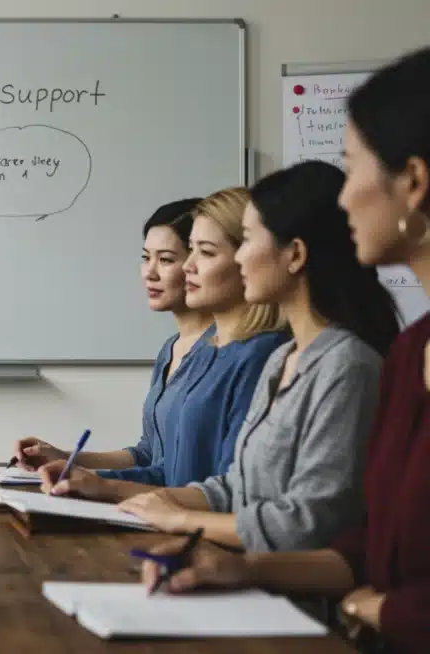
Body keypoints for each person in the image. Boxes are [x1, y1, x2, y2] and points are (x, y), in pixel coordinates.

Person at [138, 46, 430, 654]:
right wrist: (231, 561)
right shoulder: (403, 354)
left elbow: (319, 521)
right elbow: (369, 543)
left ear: (414, 182)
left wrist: (383, 607)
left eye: (353, 168)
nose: (344, 199)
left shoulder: (352, 364)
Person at [118, 160, 399, 552]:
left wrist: (180, 518)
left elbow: (309, 522)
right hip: (249, 570)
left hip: (283, 583)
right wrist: (155, 501)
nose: (238, 258)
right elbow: (238, 487)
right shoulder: (283, 358)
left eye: (247, 241)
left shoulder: (346, 365)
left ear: (295, 255)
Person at [40, 187, 291, 498]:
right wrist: (83, 475)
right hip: (171, 515)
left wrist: (107, 486)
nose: (187, 267)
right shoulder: (204, 352)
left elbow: (231, 492)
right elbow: (163, 467)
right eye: (146, 258)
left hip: (194, 521)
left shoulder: (261, 354)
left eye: (204, 252)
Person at [13, 198, 214, 472]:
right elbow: (147, 454)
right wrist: (63, 457)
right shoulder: (170, 349)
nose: (150, 273)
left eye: (166, 259)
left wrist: (101, 485)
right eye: (146, 258)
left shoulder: (223, 350)